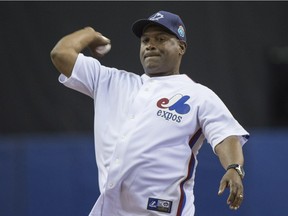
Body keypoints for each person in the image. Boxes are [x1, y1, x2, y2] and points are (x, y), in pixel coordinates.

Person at [51, 10, 249, 216]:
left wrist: (234, 167)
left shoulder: (198, 95)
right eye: (145, 40)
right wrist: (89, 33)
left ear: (181, 47)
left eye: (161, 39)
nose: (150, 45)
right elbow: (61, 54)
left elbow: (226, 135)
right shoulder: (110, 81)